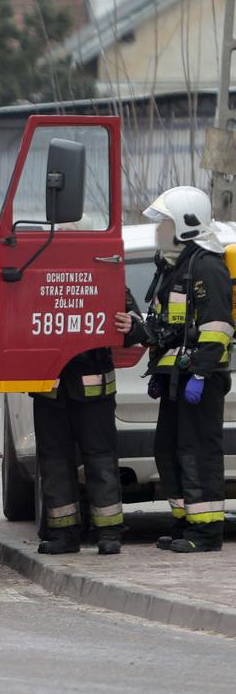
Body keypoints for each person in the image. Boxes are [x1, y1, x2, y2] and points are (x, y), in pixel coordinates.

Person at [116, 186, 233, 553]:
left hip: (199, 379)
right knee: (168, 451)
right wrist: (137, 329)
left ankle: (206, 532)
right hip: (176, 379)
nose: (158, 229)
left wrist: (200, 373)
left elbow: (218, 328)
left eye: (164, 222)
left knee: (198, 453)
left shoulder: (207, 266)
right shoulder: (173, 267)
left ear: (186, 224)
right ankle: (184, 523)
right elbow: (168, 327)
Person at [31, 342, 123, 555]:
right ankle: (63, 535)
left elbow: (134, 327)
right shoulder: (32, 305)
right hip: (51, 394)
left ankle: (109, 533)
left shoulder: (104, 305)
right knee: (55, 464)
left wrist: (131, 326)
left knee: (101, 462)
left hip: (94, 396)